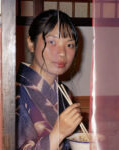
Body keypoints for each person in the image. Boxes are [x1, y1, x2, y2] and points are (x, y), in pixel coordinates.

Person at [16, 9, 82, 150]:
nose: (62, 52)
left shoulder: (64, 92)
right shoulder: (14, 93)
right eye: (52, 42)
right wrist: (58, 133)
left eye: (69, 45)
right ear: (31, 43)